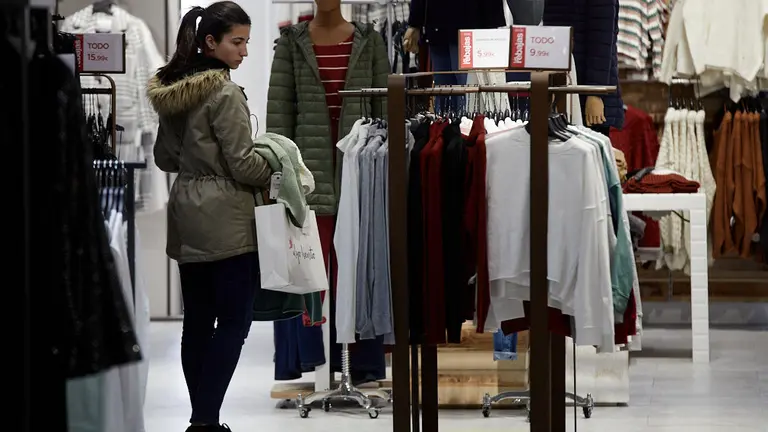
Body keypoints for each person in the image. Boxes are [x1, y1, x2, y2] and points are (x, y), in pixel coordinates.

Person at [147, 2, 271, 431]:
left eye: (246, 42)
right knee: (234, 322)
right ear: (211, 42)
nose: (244, 52)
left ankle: (202, 421)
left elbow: (164, 158)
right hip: (229, 219)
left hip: (186, 213)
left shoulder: (175, 92)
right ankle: (204, 421)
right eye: (237, 42)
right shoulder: (224, 92)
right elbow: (242, 164)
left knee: (197, 322)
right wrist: (274, 166)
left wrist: (197, 163)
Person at [266, 0, 390, 385]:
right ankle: (310, 363)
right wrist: (282, 181)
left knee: (357, 269)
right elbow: (279, 120)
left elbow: (384, 111)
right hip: (307, 180)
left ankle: (361, 364)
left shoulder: (370, 42)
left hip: (360, 175)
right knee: (307, 275)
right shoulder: (290, 44)